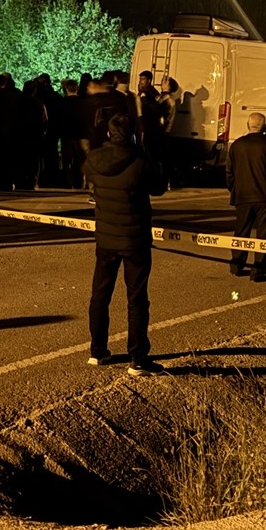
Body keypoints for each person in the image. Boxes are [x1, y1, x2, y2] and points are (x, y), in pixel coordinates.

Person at [83, 113, 167, 376]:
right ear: (132, 135)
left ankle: (98, 350)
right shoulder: (140, 162)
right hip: (135, 238)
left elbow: (90, 182)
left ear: (109, 134)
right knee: (137, 299)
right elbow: (159, 187)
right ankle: (138, 358)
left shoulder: (94, 160)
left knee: (100, 294)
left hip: (105, 237)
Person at [225, 112, 266, 280]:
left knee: (241, 231)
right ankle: (258, 269)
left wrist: (234, 188)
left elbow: (229, 172)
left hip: (243, 195)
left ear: (248, 125)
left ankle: (237, 265)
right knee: (265, 234)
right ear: (264, 126)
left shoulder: (237, 145)